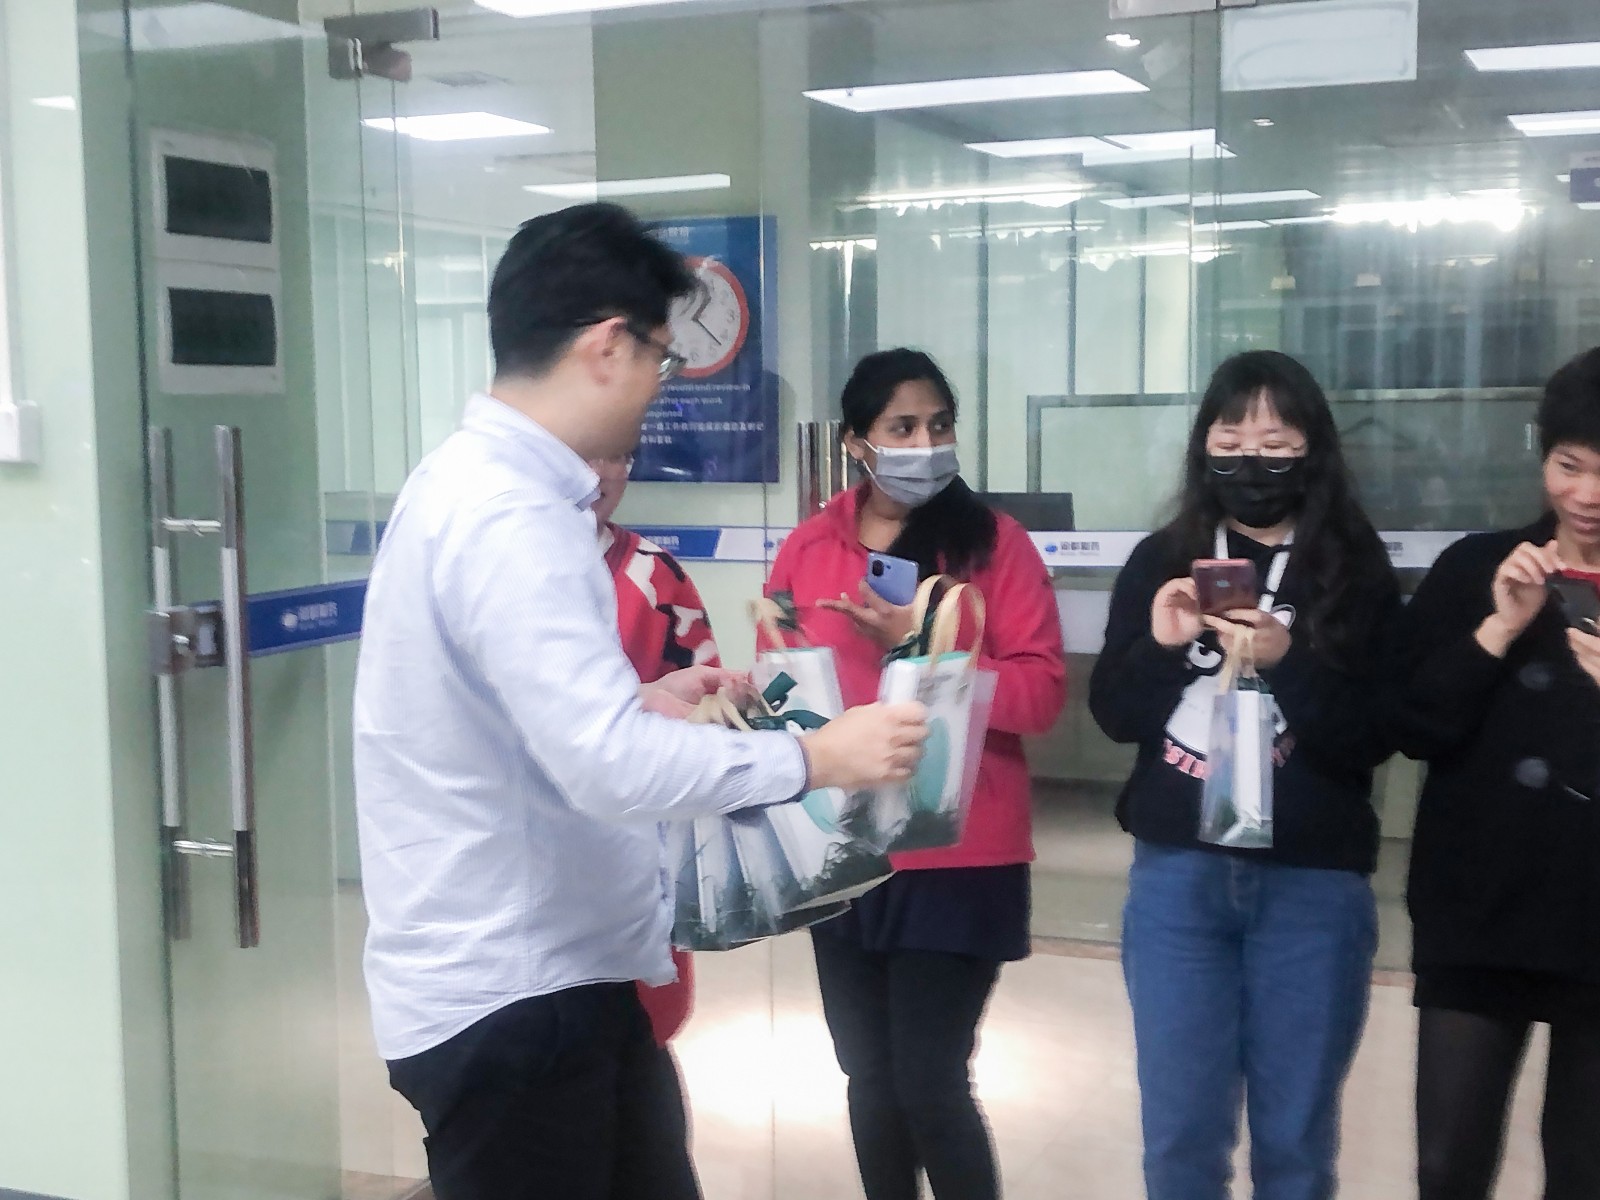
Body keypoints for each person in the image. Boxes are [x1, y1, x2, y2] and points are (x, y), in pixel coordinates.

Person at [352, 202, 928, 1200]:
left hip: (559, 978)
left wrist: (643, 698)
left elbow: (531, 725)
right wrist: (817, 756)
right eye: (662, 356)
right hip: (514, 1001)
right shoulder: (509, 513)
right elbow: (607, 767)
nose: (662, 384)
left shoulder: (477, 486)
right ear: (608, 345)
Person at [1089, 350, 1401, 1200]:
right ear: (1203, 448)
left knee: (1296, 1146)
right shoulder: (1163, 558)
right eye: (1230, 441)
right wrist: (1162, 648)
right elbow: (1115, 714)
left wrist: (1288, 660)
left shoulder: (1353, 566)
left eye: (1275, 442)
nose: (1251, 461)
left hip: (1312, 887)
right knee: (1180, 1140)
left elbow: (1375, 735)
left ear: (1312, 450)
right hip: (1179, 880)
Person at [766, 348, 1067, 1200]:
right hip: (844, 848)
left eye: (939, 425)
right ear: (856, 441)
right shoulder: (810, 546)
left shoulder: (995, 546)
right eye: (901, 427)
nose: (924, 443)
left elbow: (1042, 696)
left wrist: (930, 648)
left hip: (958, 852)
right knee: (867, 1077)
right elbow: (782, 675)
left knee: (929, 1080)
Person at [1392, 346, 1600, 1200]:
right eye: (1569, 465)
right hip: (1479, 906)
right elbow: (1411, 726)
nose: (1587, 494)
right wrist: (1498, 630)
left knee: (1585, 1171)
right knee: (1448, 1166)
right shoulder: (1477, 568)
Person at [589, 449, 715, 1046]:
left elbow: (706, 718)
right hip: (529, 867)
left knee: (643, 1035)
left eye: (615, 455)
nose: (597, 473)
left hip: (642, 854)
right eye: (581, 451)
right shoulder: (501, 568)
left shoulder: (655, 575)